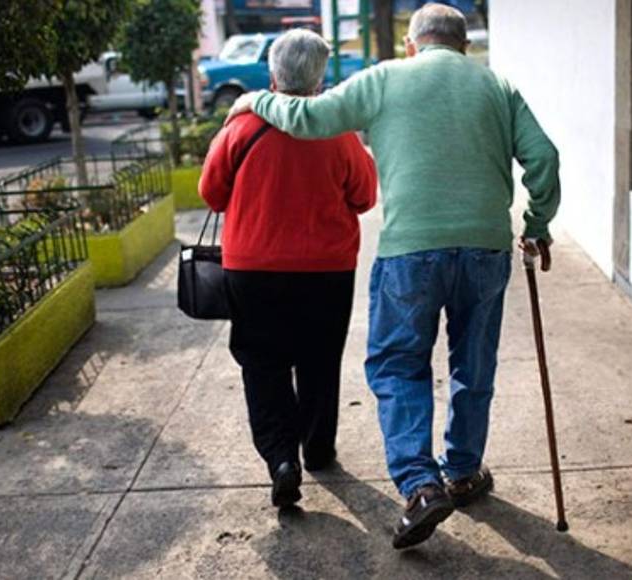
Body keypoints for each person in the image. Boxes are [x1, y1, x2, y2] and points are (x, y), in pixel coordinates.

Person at [228, 3, 560, 548]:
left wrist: (254, 99)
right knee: (472, 363)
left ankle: (421, 485)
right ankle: (463, 470)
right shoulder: (497, 86)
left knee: (400, 365)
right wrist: (537, 223)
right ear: (464, 46)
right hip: (484, 250)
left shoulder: (384, 78)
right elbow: (543, 158)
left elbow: (307, 119)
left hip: (411, 252)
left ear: (412, 44)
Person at [200, 29, 377, 508]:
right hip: (326, 270)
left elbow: (211, 194)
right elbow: (364, 197)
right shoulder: (337, 132)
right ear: (320, 78)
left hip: (253, 270)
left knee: (263, 365)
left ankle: (281, 459)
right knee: (319, 360)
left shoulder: (241, 127)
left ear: (273, 74)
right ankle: (317, 451)